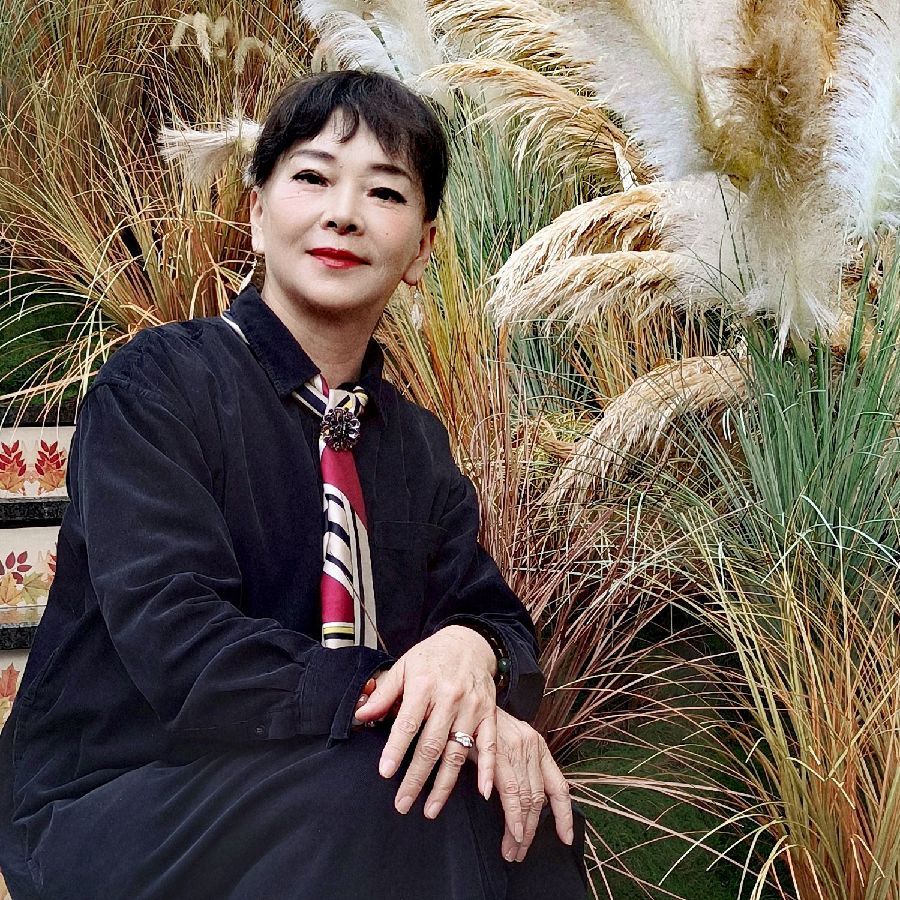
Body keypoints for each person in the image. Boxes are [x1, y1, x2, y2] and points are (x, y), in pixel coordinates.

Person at [0, 70, 587, 899]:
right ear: (256, 212)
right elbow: (179, 640)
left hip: (329, 785)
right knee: (390, 788)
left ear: (422, 249)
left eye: (384, 192)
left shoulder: (414, 446)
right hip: (122, 796)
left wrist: (472, 654)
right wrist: (393, 693)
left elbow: (492, 618)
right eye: (312, 177)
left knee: (522, 805)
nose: (343, 214)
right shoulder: (158, 386)